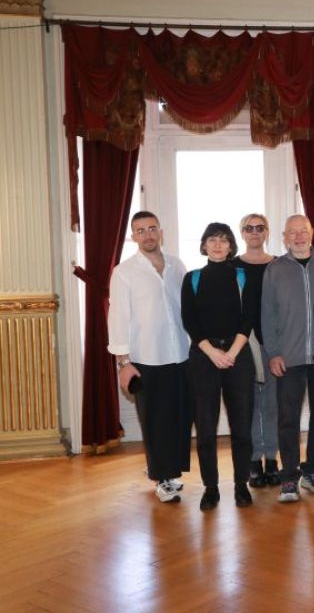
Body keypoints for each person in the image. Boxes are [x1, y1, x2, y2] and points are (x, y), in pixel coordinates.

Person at [108, 211, 191, 504]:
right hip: (146, 359)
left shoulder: (177, 265)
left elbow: (187, 309)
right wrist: (123, 362)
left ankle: (170, 470)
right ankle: (161, 476)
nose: (148, 235)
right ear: (134, 237)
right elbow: (118, 318)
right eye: (141, 230)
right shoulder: (124, 272)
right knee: (155, 421)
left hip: (181, 354)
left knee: (180, 418)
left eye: (152, 228)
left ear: (161, 232)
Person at [261, 215, 314, 503]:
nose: (298, 236)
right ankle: (289, 477)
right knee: (288, 418)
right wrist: (273, 352)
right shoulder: (275, 269)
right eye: (292, 232)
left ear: (312, 232)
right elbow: (267, 315)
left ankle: (312, 471)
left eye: (303, 231)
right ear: (284, 237)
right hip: (288, 358)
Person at [180, 222, 256, 511]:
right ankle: (210, 487)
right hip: (204, 358)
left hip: (238, 355)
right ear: (204, 245)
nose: (217, 245)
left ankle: (241, 485)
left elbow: (248, 319)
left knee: (242, 427)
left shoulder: (243, 276)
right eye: (212, 239)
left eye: (224, 240)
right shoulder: (192, 279)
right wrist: (213, 353)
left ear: (231, 246)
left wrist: (231, 353)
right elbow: (190, 320)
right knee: (206, 428)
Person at [234, 213, 279, 488]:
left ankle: (272, 459)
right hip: (243, 346)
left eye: (259, 227)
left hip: (273, 345)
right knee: (249, 407)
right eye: (248, 228)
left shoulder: (279, 265)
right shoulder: (232, 266)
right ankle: (253, 462)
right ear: (242, 233)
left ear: (267, 232)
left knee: (272, 406)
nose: (254, 232)